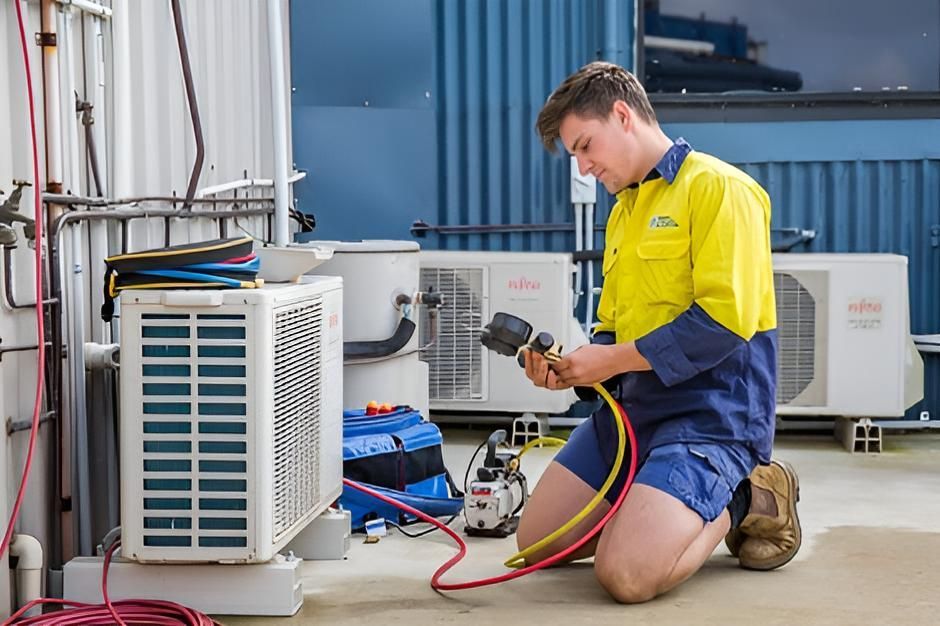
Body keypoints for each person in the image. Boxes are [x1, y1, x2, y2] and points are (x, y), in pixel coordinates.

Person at [517, 61, 801, 604]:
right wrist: (576, 369)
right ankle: (657, 500)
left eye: (585, 145)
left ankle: (745, 493)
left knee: (625, 576)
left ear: (623, 115)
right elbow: (613, 328)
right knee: (538, 546)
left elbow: (724, 323)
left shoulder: (720, 190)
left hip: (710, 414)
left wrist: (615, 360)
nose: (583, 166)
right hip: (631, 413)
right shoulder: (624, 210)